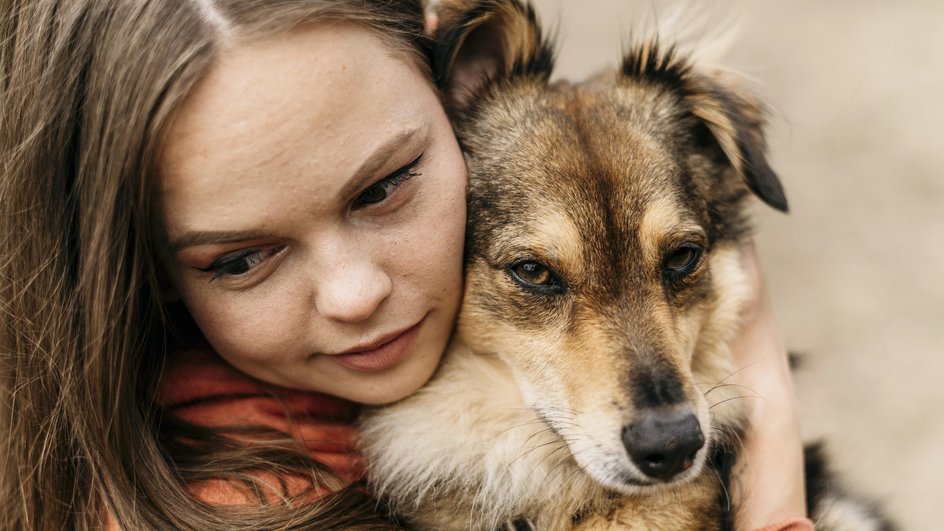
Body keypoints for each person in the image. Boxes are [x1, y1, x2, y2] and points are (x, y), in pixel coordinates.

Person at [0, 0, 811, 529]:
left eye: (384, 187)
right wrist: (771, 441)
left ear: (446, 78)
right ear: (133, 267)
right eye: (242, 257)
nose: (358, 296)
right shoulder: (238, 499)